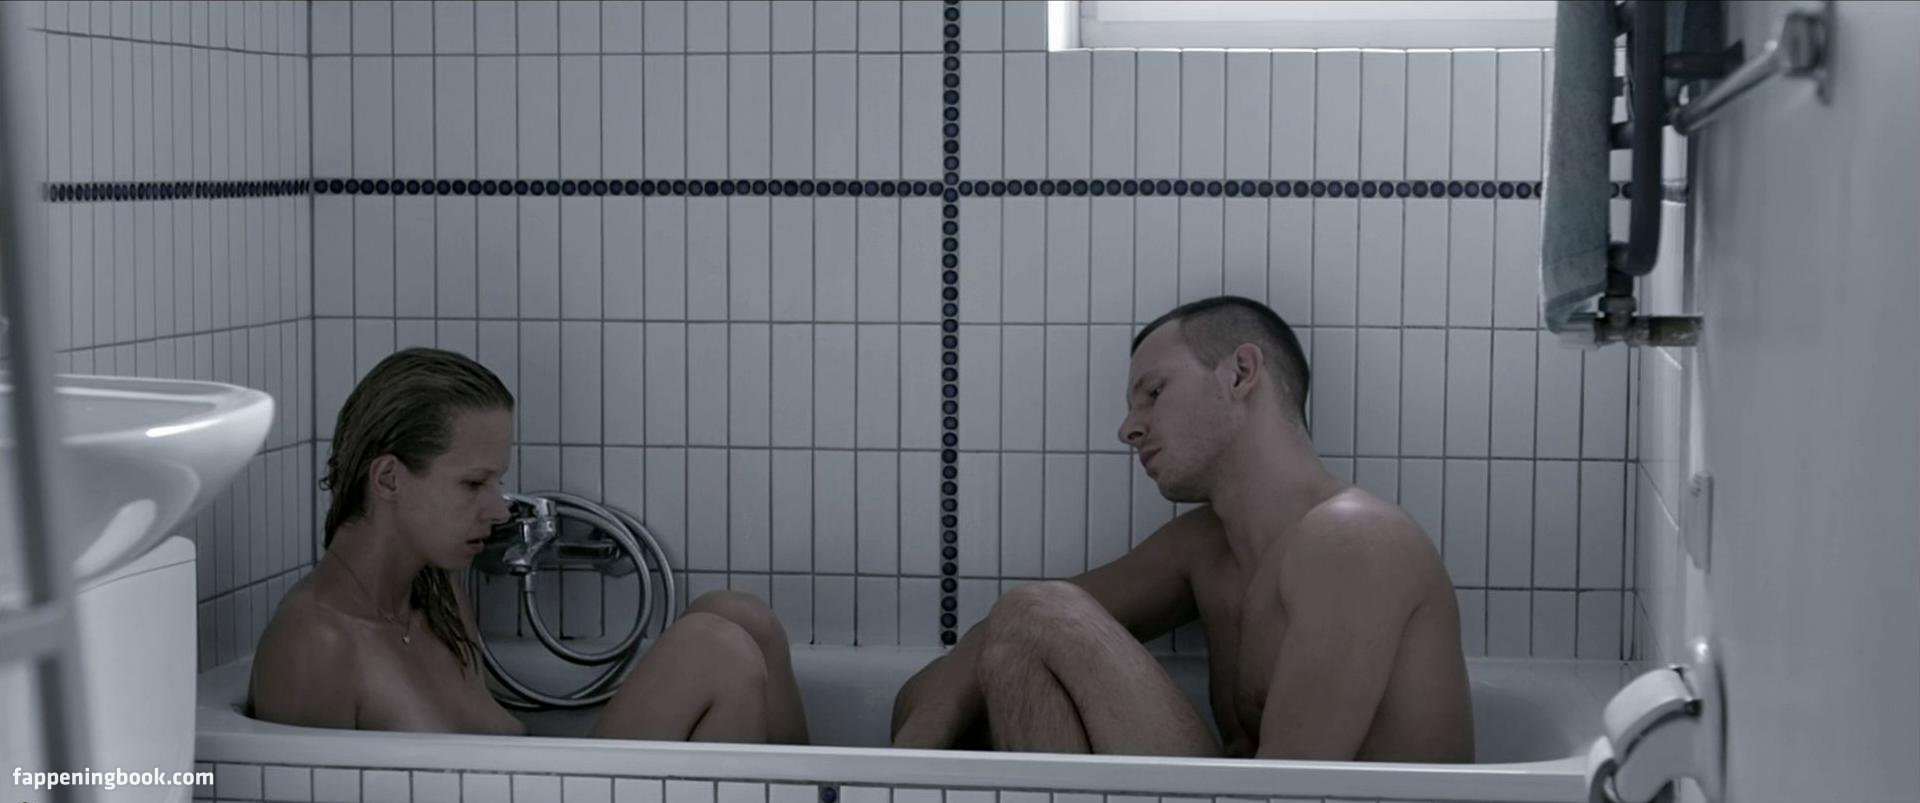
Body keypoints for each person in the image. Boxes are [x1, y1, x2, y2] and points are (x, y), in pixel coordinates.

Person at [889, 296, 1474, 762]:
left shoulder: (1355, 539)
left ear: (1240, 374)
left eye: (1154, 392)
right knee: (1012, 658)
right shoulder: (1206, 548)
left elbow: (1290, 792)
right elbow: (968, 659)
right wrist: (912, 750)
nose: (1128, 429)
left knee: (1035, 610)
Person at [249, 347, 810, 744]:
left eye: (497, 481)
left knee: (742, 618)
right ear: (389, 478)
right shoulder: (315, 645)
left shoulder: (435, 595)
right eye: (473, 484)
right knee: (715, 650)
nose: (498, 509)